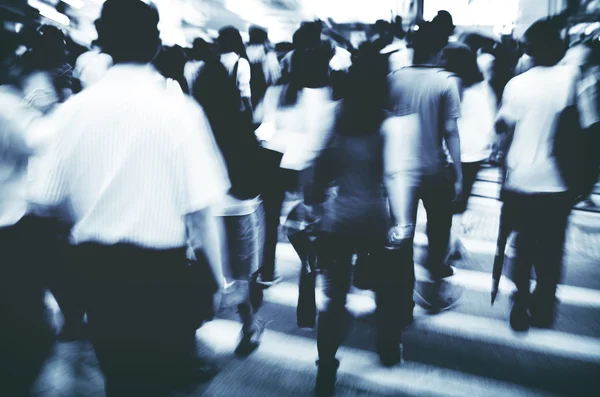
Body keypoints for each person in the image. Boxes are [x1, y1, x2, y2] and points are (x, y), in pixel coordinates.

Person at [28, 1, 229, 395]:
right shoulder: (180, 112)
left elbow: (43, 198)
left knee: (120, 378)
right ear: (155, 43)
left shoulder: (73, 112)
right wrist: (217, 278)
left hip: (98, 273)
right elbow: (203, 209)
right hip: (163, 272)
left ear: (102, 42)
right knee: (163, 380)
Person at [308, 42, 397, 397]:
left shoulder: (334, 115)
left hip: (338, 220)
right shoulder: (388, 122)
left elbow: (316, 168)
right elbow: (394, 178)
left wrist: (313, 208)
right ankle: (388, 347)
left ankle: (326, 370)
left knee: (334, 300)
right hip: (376, 219)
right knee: (385, 290)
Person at [496, 19, 577, 332]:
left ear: (529, 50)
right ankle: (544, 305)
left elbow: (503, 127)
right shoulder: (574, 79)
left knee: (523, 244)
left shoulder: (518, 84)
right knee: (553, 247)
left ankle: (519, 301)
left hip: (521, 178)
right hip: (559, 181)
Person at [192, 29, 267, 358]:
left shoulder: (191, 123)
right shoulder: (239, 124)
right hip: (237, 207)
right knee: (241, 274)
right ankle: (248, 328)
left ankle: (192, 335)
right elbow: (253, 176)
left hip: (201, 211)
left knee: (202, 274)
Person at [384, 21, 464, 315]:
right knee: (439, 232)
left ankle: (403, 303)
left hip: (401, 173)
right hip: (434, 171)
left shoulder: (393, 79)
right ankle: (433, 290)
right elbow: (451, 131)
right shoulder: (446, 82)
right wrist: (459, 172)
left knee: (401, 237)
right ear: (439, 51)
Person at [257, 32, 337, 287]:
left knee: (270, 220)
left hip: (273, 159)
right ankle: (318, 262)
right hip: (307, 165)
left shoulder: (276, 91)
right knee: (315, 218)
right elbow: (321, 137)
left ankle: (267, 271)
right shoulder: (323, 95)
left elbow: (263, 124)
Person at [0, 26, 55, 396]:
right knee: (22, 317)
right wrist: (43, 109)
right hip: (7, 221)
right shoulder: (7, 104)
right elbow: (37, 144)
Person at [440, 44, 496, 259]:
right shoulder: (480, 91)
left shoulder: (446, 87)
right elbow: (489, 126)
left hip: (447, 154)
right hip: (472, 155)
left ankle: (446, 245)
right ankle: (450, 243)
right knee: (458, 205)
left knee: (444, 205)